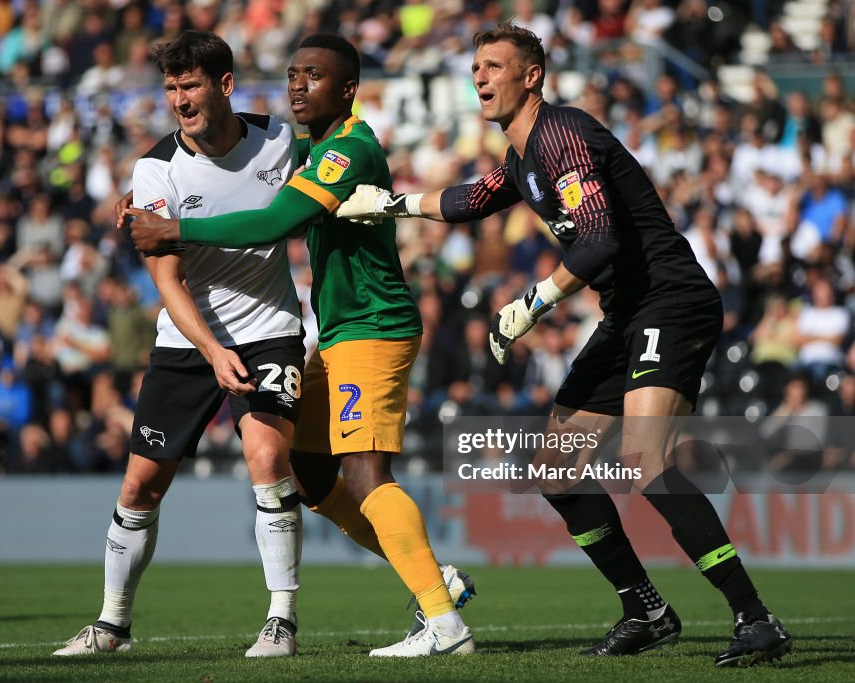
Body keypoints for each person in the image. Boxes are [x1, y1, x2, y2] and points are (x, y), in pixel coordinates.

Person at [335, 24, 792, 668]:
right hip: (625, 313)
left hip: (671, 300)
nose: (480, 77)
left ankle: (755, 618)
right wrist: (393, 204)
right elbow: (473, 198)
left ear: (532, 76)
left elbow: (601, 237)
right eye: (475, 66)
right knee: (555, 468)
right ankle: (646, 609)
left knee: (644, 457)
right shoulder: (525, 156)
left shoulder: (562, 134)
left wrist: (534, 300)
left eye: (495, 65)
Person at [124, 33, 475, 658]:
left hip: (373, 325)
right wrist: (148, 205)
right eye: (292, 74)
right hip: (338, 332)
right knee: (309, 474)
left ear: (347, 89)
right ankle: (434, 580)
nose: (296, 86)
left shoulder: (347, 149)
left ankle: (444, 623)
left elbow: (273, 221)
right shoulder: (310, 144)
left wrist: (172, 226)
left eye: (313, 76)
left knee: (367, 474)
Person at [53, 31, 307, 658]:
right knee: (141, 485)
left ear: (224, 85)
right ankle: (111, 624)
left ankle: (282, 621)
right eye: (170, 87)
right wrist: (214, 351)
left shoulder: (280, 139)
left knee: (268, 464)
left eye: (190, 84)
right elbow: (166, 278)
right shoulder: (155, 169)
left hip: (270, 327)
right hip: (189, 338)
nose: (179, 99)